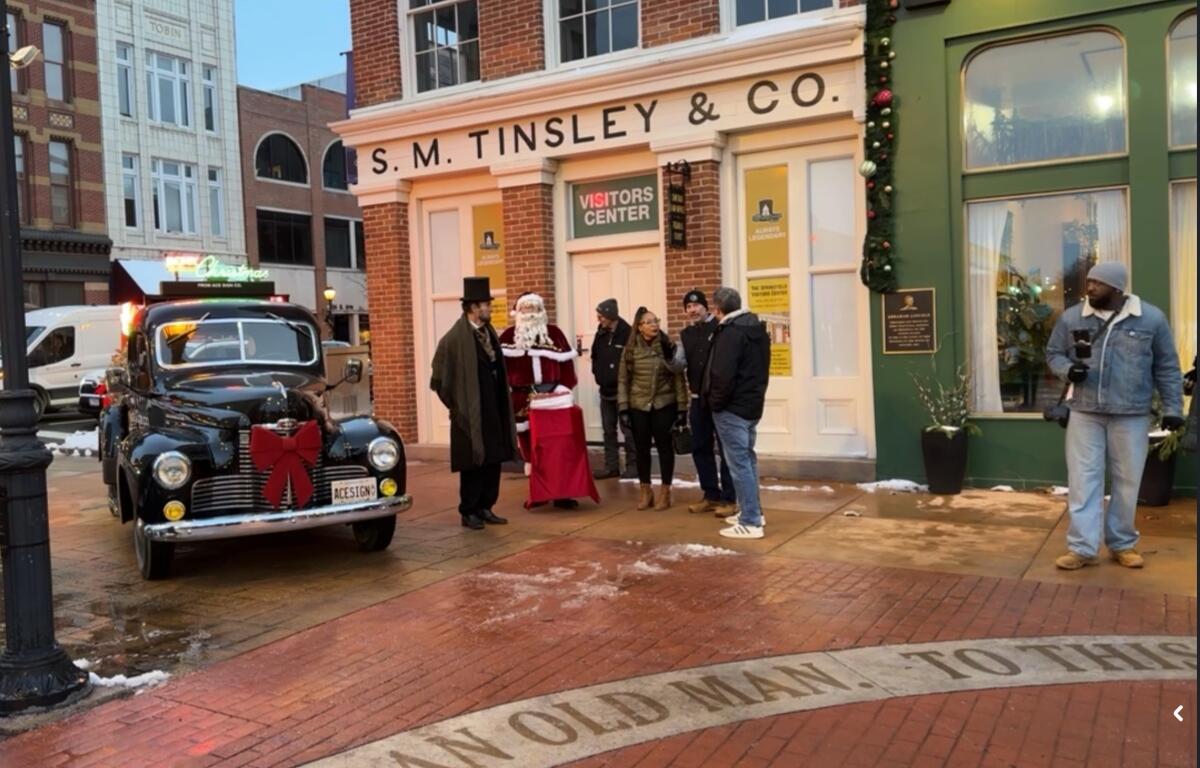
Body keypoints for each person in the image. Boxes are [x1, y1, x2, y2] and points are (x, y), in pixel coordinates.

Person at [1045, 262, 1183, 570]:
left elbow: (1167, 367)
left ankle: (1122, 543)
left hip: (1131, 413)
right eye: (1089, 281)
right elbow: (1053, 353)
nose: (1090, 287)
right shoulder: (1072, 317)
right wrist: (1067, 369)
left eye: (1097, 283)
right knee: (1083, 480)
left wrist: (1174, 409)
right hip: (1085, 412)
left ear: (1117, 288)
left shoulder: (1151, 319)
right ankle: (1082, 547)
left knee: (1127, 481)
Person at [430, 276, 518, 530]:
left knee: (493, 459)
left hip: (493, 408)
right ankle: (469, 511)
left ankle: (486, 506)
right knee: (472, 464)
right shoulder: (453, 340)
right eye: (486, 305)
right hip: (468, 414)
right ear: (473, 308)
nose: (489, 309)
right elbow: (439, 379)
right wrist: (458, 406)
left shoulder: (489, 334)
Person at [498, 292, 589, 509]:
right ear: (518, 311)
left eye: (534, 308)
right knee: (531, 449)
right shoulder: (508, 337)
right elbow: (501, 373)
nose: (530, 313)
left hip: (553, 399)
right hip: (522, 399)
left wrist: (564, 390)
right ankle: (538, 492)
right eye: (525, 308)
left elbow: (567, 369)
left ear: (541, 311)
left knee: (557, 449)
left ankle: (561, 493)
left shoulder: (554, 334)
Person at [703, 287, 771, 540]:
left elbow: (722, 374)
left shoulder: (731, 333)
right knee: (747, 459)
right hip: (752, 405)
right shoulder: (756, 329)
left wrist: (715, 403)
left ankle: (751, 521)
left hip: (732, 409)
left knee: (739, 463)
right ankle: (753, 510)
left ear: (718, 309)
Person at [672, 289, 737, 516]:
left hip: (718, 400)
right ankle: (711, 494)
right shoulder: (686, 334)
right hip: (698, 400)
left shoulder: (719, 328)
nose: (692, 310)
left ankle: (729, 498)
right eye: (688, 307)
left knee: (726, 449)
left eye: (696, 305)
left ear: (705, 306)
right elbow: (678, 365)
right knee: (700, 448)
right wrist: (666, 352)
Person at [618, 307, 687, 511]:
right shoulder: (630, 350)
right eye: (648, 322)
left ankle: (665, 492)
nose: (654, 324)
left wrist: (682, 407)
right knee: (641, 448)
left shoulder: (667, 345)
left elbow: (678, 378)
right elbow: (623, 379)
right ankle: (645, 490)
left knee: (665, 447)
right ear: (639, 327)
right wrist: (623, 408)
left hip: (663, 404)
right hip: (638, 405)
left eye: (655, 320)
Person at [591, 298, 636, 480]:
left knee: (628, 429)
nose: (599, 320)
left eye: (601, 316)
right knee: (608, 430)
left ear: (610, 315)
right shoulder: (600, 333)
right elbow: (595, 354)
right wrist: (597, 373)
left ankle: (633, 466)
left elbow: (633, 360)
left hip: (623, 392)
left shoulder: (627, 333)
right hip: (605, 391)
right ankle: (612, 466)